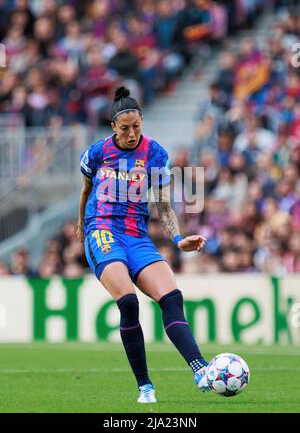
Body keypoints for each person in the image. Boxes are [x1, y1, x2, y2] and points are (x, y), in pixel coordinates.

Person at [76, 86, 209, 403]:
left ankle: (201, 369)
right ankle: (145, 386)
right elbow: (85, 190)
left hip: (137, 236)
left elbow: (162, 204)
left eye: (137, 126)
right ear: (113, 128)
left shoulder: (155, 154)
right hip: (103, 230)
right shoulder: (97, 153)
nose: (132, 133)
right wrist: (82, 223)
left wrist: (178, 239)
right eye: (125, 128)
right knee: (129, 302)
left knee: (172, 298)